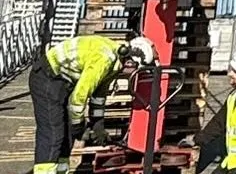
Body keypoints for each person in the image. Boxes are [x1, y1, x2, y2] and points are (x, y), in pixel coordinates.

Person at [30, 34, 155, 174]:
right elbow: (78, 98)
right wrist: (78, 126)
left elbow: (98, 96)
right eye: (136, 69)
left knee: (66, 136)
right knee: (53, 132)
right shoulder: (104, 59)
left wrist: (98, 125)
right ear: (131, 61)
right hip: (48, 77)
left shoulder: (115, 62)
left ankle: (60, 171)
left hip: (63, 81)